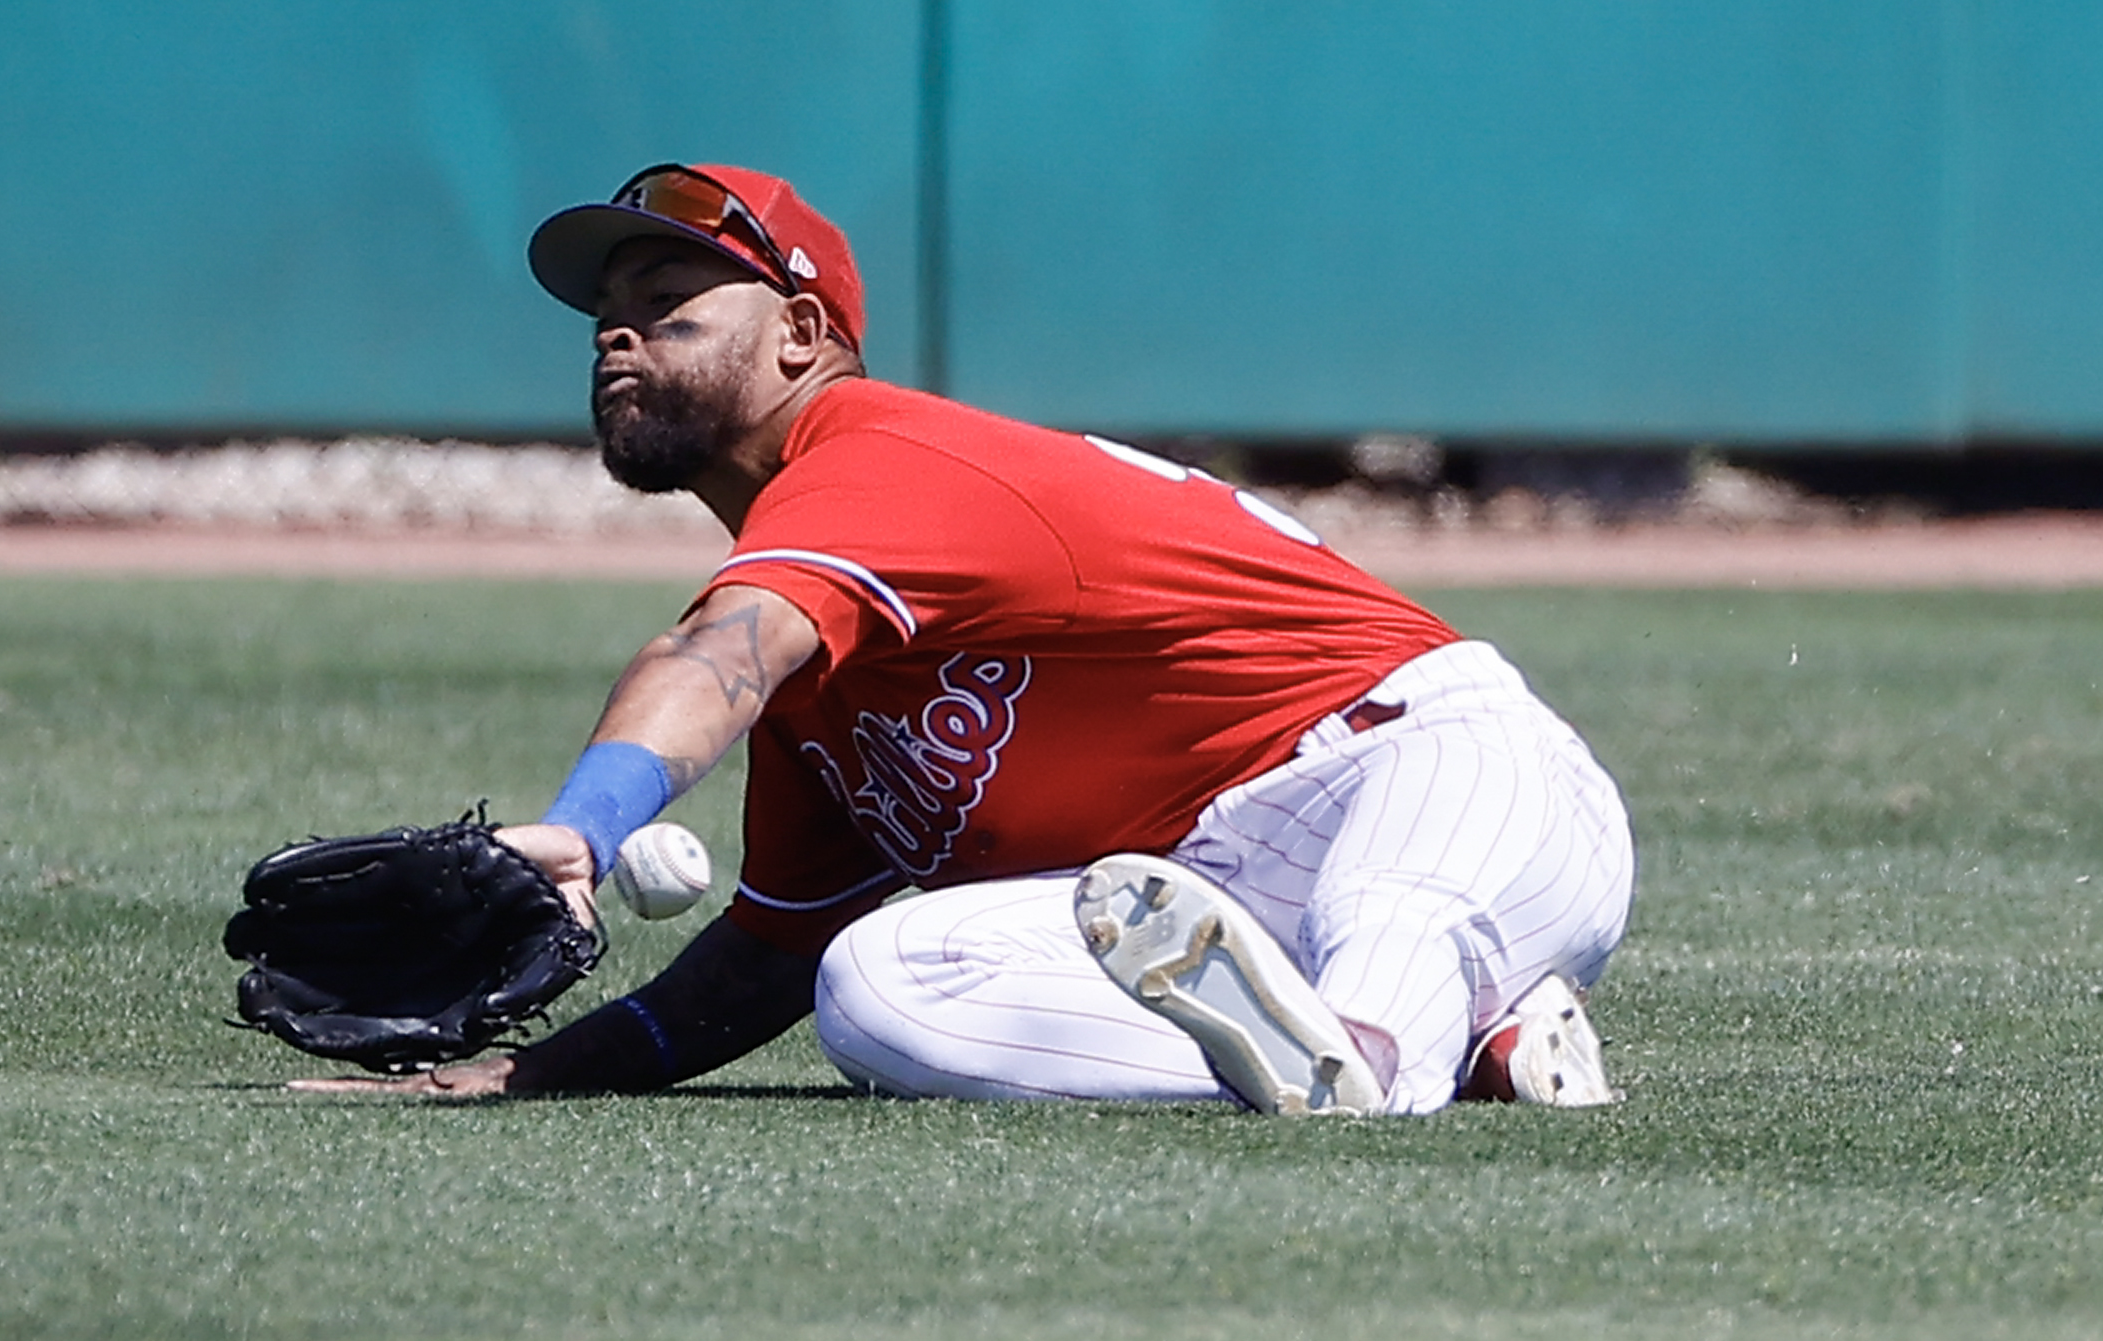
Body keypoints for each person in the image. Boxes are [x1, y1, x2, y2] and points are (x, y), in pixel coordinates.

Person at [292, 163, 1634, 1115]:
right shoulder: (831, 665)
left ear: (805, 336)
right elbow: (766, 957)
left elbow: (716, 659)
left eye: (673, 300)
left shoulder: (883, 462)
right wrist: (530, 1073)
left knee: (1374, 960)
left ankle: (1400, 1047)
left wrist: (588, 823)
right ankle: (1451, 1046)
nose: (621, 331)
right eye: (609, 316)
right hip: (1197, 904)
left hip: (1425, 768)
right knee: (876, 988)